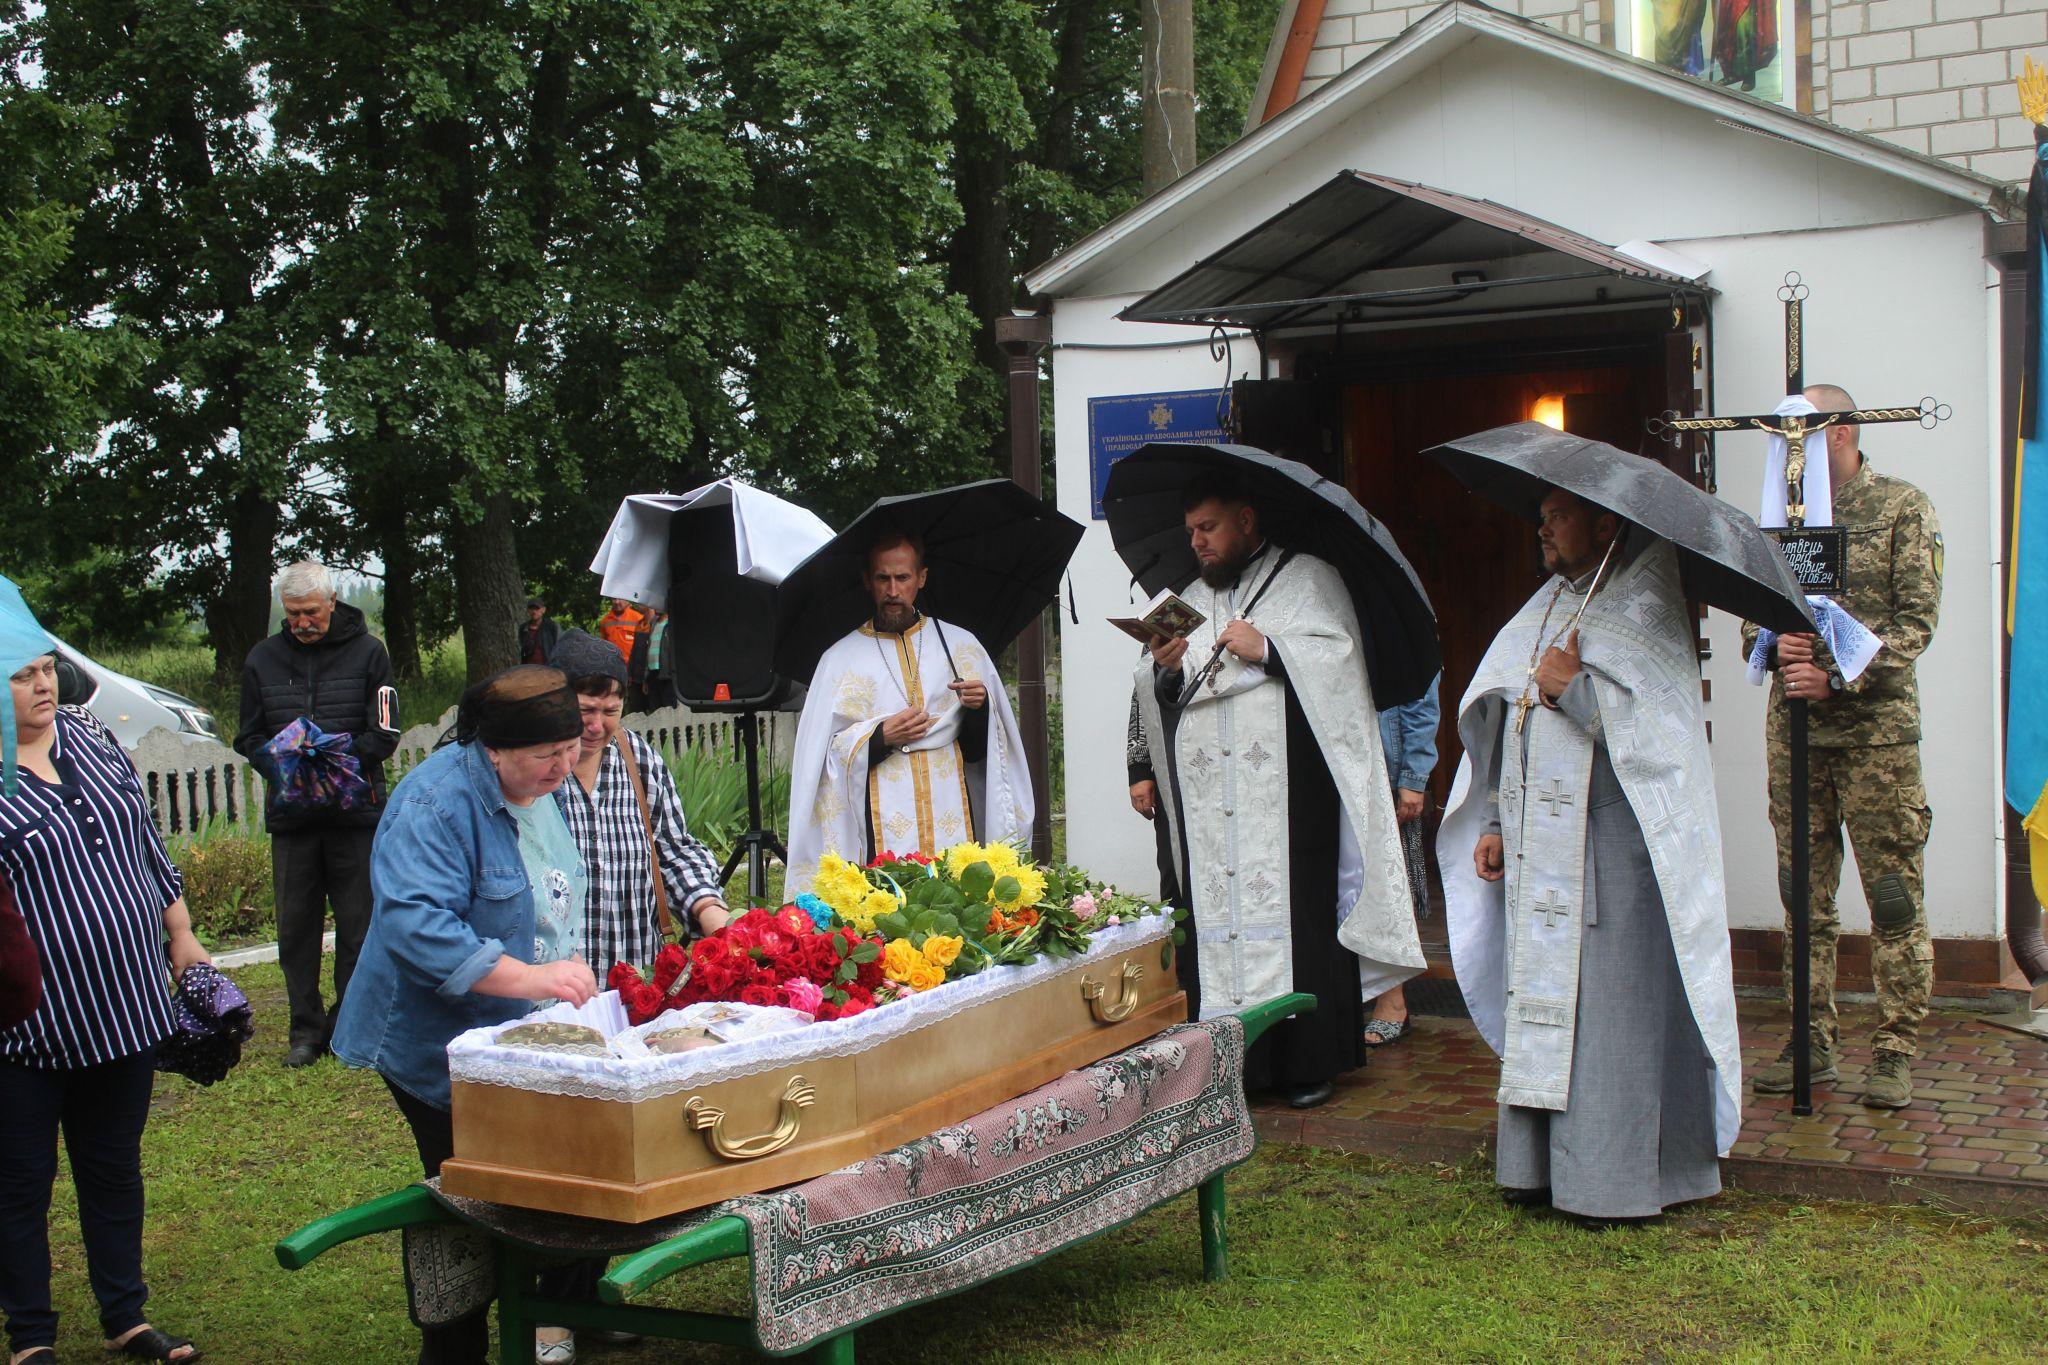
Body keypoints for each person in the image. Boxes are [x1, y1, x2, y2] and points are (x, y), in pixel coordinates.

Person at [1442, 487, 1740, 1223]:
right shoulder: (1548, 603)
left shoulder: (1648, 606)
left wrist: (1575, 691)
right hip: (1538, 847)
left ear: (1605, 523)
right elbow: (1507, 717)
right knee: (1543, 1015)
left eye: (1558, 514)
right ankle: (1535, 1168)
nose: (1541, 525)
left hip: (1612, 855)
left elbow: (1662, 743)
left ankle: (1612, 1182)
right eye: (1539, 513)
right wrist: (1491, 820)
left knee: (1611, 1023)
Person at [331, 666, 599, 1365]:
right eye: (549, 755)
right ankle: (454, 1349)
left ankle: (550, 1316)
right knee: (465, 1196)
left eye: (572, 749)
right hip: (433, 1046)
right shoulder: (437, 804)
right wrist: (533, 976)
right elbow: (419, 928)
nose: (565, 767)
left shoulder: (539, 783)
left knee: (556, 1172)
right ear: (494, 749)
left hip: (512, 1033)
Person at [1131, 476, 1421, 1109]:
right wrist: (1167, 667)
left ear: (1245, 518)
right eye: (1191, 533)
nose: (1198, 542)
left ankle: (1306, 1062)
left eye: (1208, 528)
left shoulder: (1310, 579)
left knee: (1299, 920)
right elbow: (1159, 698)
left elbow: (1344, 671)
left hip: (1290, 797)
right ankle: (1225, 1063)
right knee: (1213, 917)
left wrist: (1269, 649)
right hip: (1212, 800)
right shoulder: (1188, 600)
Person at [1, 622, 208, 1362]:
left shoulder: (86, 733)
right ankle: (30, 1338)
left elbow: (145, 839)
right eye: (21, 676)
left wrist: (179, 932)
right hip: (26, 1027)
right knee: (21, 1185)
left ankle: (126, 1314)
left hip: (123, 1008)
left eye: (44, 668)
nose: (44, 683)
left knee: (114, 1167)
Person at [1750, 383, 1943, 1110]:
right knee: (1805, 897)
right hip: (1796, 737)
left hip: (1875, 740)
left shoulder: (1901, 508)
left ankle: (1894, 1048)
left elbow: (1916, 624)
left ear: (1838, 434)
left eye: (1796, 438)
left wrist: (1833, 675)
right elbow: (1750, 622)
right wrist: (1776, 650)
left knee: (1892, 899)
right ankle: (1812, 1040)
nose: (1784, 455)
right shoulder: (1779, 525)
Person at [786, 531, 1034, 887]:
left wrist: (979, 710)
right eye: (882, 578)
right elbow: (820, 762)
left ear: (921, 578)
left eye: (902, 578)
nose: (892, 591)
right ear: (867, 582)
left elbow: (985, 757)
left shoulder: (961, 646)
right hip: (877, 825)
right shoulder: (839, 661)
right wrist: (879, 737)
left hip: (955, 815)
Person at [233, 560, 398, 1068]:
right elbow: (248, 736)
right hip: (293, 820)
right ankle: (304, 1032)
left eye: (311, 612)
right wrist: (285, 763)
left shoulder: (372, 654)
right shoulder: (262, 659)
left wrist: (335, 762)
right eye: (293, 613)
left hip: (355, 817)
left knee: (358, 925)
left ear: (332, 603)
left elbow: (386, 733)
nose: (303, 622)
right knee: (296, 930)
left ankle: (347, 1023)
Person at [548, 630, 730, 979]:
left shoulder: (638, 760)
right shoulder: (534, 768)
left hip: (635, 979)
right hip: (554, 990)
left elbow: (673, 850)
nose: (596, 725)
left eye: (610, 711)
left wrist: (710, 911)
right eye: (584, 710)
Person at [1365, 673, 1441, 1047]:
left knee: (1393, 886)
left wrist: (1413, 776)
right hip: (1340, 765)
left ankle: (1393, 1002)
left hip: (1388, 772)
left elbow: (1421, 696)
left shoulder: (1399, 614)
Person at [629, 609, 675, 711]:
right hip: (652, 673)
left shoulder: (671, 623)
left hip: (666, 674)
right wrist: (645, 678)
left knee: (668, 706)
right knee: (655, 707)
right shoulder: (653, 624)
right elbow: (648, 650)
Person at [597, 598, 644, 669]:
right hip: (611, 665)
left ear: (627, 600)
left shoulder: (638, 618)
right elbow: (603, 645)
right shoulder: (605, 621)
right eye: (614, 599)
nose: (616, 602)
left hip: (632, 667)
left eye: (620, 599)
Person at [518, 598, 560, 666]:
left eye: (537, 608)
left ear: (543, 610)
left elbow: (559, 648)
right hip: (528, 668)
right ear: (527, 610)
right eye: (531, 609)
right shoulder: (522, 628)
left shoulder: (552, 626)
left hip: (547, 668)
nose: (534, 612)